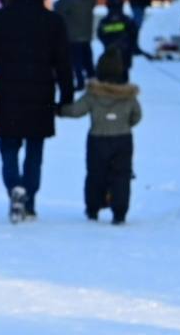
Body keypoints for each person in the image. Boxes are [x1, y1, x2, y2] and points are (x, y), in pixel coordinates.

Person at [0, 0, 73, 223]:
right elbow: (64, 63)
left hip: (7, 92)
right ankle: (29, 201)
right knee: (34, 150)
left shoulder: (0, 19)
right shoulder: (53, 22)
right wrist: (67, 96)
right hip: (41, 94)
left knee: (8, 146)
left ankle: (14, 188)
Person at [59, 48, 142, 224]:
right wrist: (124, 124)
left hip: (97, 139)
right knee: (121, 175)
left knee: (95, 174)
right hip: (123, 139)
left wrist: (59, 110)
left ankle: (93, 208)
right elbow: (137, 115)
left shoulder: (93, 93)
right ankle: (119, 212)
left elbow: (75, 111)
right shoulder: (128, 95)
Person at [54, 0, 97, 90]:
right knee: (87, 56)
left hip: (72, 33)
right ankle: (92, 79)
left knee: (75, 59)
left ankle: (80, 81)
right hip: (86, 31)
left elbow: (59, 9)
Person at [97, 0, 139, 81]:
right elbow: (134, 34)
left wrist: (109, 43)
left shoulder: (105, 21)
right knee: (124, 77)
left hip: (110, 54)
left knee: (110, 76)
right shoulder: (127, 20)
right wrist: (132, 46)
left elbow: (101, 35)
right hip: (125, 54)